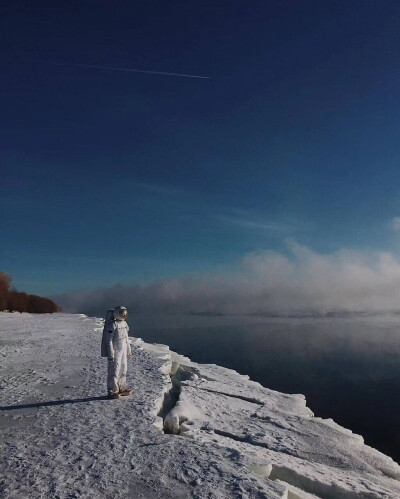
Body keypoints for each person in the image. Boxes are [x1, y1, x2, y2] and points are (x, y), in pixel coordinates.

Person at [101, 305, 132, 399]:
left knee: (123, 368)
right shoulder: (112, 325)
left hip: (122, 349)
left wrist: (128, 350)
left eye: (125, 313)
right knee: (114, 370)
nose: (124, 315)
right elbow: (108, 340)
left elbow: (126, 338)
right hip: (115, 350)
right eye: (122, 313)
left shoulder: (124, 324)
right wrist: (111, 354)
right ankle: (112, 390)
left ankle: (121, 387)